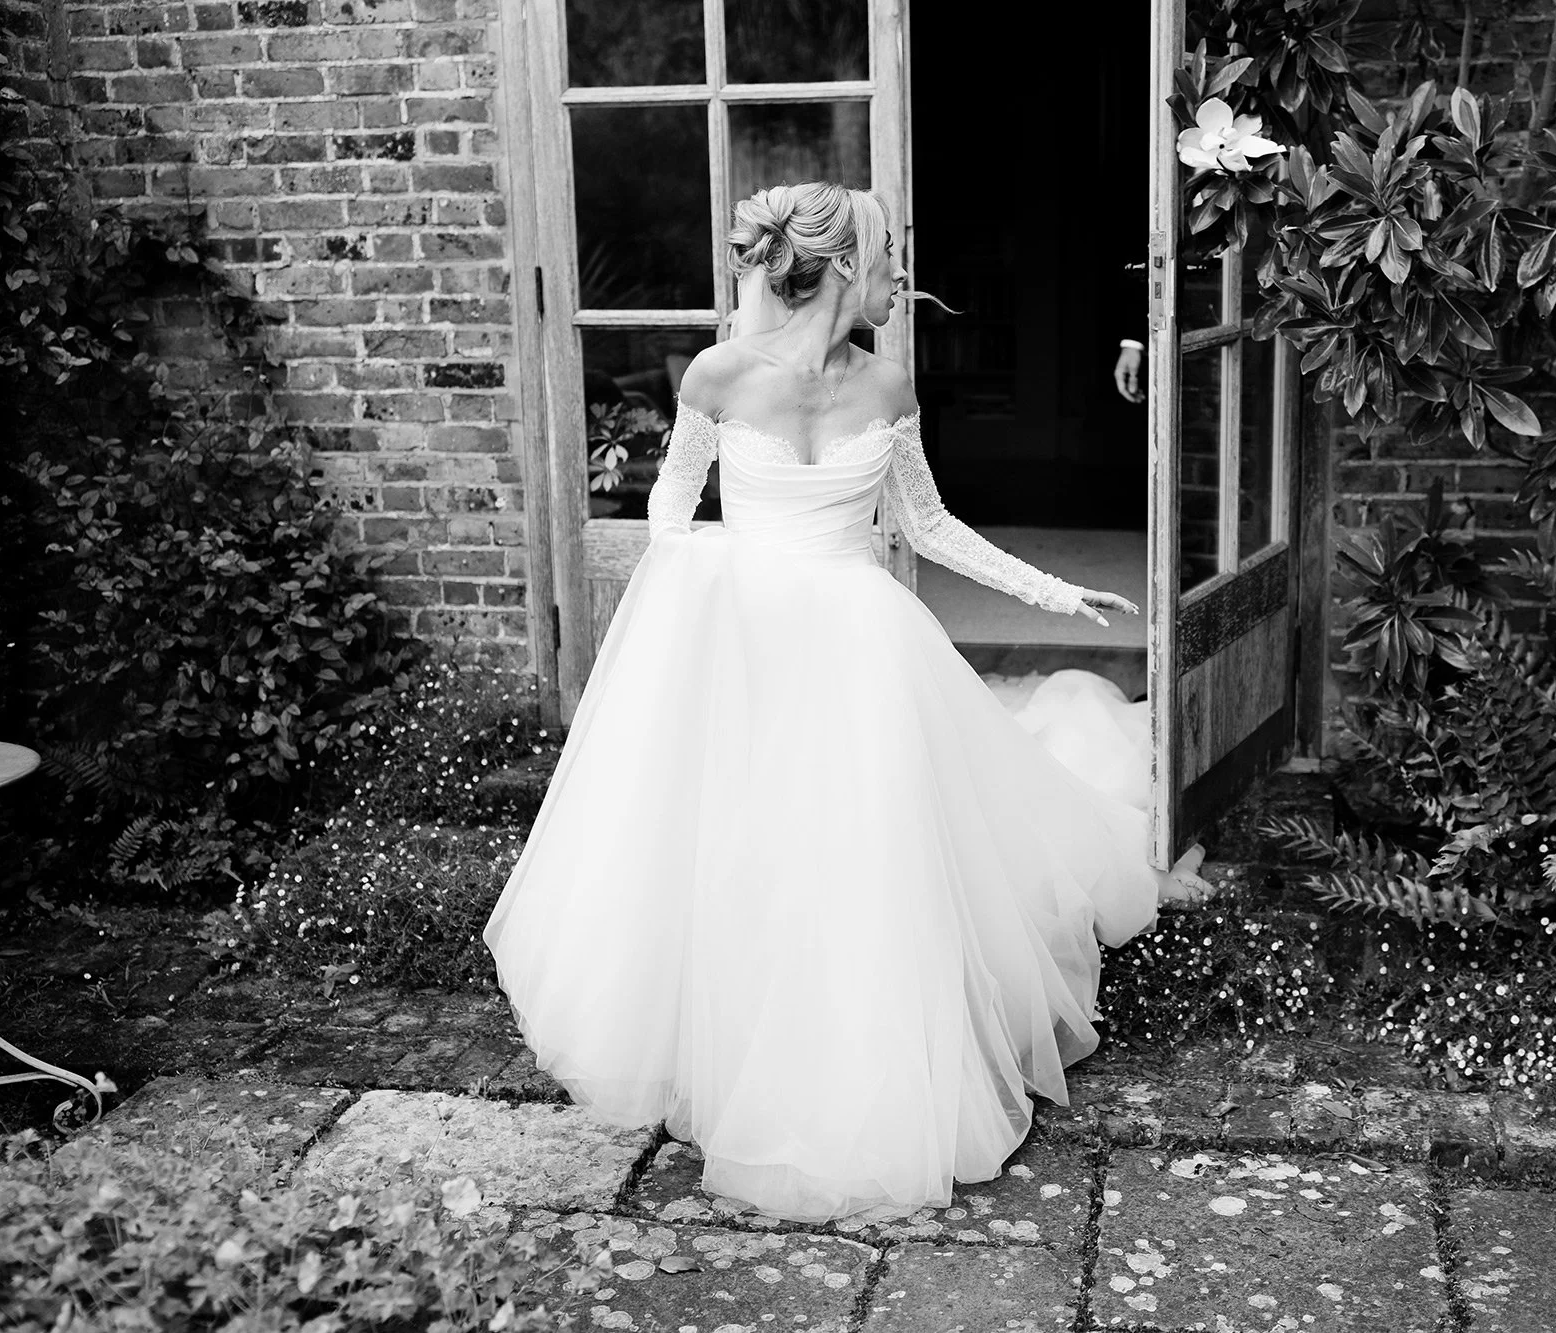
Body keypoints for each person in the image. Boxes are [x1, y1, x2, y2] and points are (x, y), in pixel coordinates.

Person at [482, 181, 1208, 1226]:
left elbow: (928, 525)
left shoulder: (890, 387)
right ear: (834, 268)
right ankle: (737, 1048)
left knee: (866, 853)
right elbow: (670, 508)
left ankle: (863, 1054)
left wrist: (1055, 589)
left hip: (862, 644)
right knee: (748, 844)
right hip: (748, 637)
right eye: (885, 260)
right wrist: (703, 593)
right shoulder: (719, 373)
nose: (899, 277)